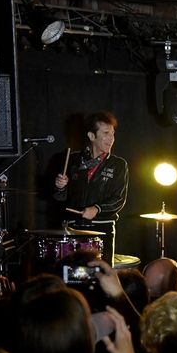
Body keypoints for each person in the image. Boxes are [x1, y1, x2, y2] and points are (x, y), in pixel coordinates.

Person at [54, 111, 129, 266]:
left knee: (100, 277)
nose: (111, 139)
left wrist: (96, 209)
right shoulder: (73, 160)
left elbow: (119, 199)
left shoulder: (119, 165)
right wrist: (60, 187)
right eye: (106, 133)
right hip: (72, 229)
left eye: (113, 134)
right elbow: (59, 198)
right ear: (91, 136)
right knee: (72, 276)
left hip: (102, 230)